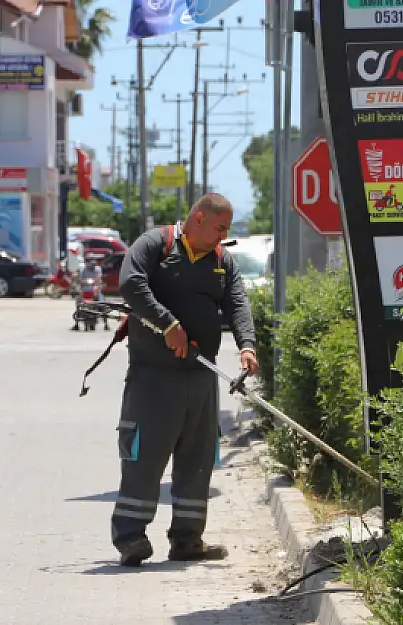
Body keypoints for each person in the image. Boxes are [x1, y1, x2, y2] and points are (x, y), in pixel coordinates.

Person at [111, 193, 259, 567]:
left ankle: (187, 539)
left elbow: (237, 303)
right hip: (153, 377)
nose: (224, 236)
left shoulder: (222, 262)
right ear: (197, 219)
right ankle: (130, 537)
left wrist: (247, 346)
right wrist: (168, 324)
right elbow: (131, 283)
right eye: (219, 228)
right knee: (144, 456)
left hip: (200, 376)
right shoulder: (155, 246)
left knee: (198, 458)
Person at [71, 259, 107, 331]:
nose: (91, 264)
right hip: (85, 289)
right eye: (88, 261)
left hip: (95, 290)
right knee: (78, 303)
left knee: (102, 303)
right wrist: (78, 284)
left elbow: (99, 278)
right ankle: (76, 324)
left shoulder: (97, 269)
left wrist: (98, 284)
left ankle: (106, 323)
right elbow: (79, 279)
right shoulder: (83, 270)